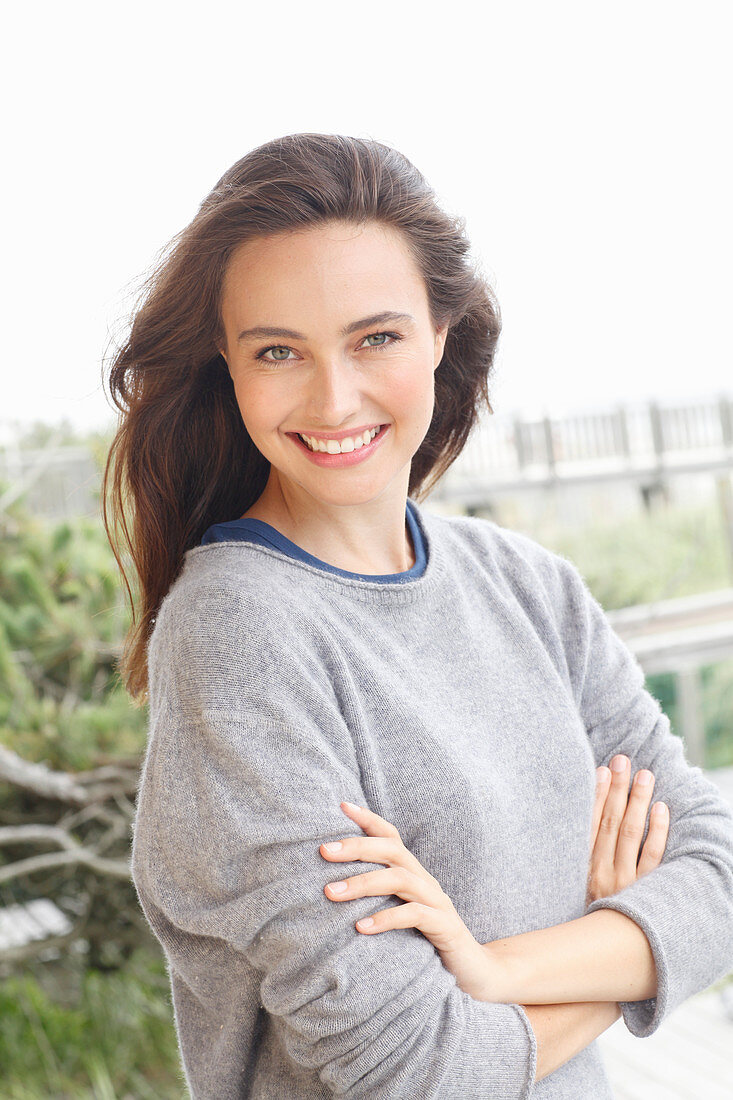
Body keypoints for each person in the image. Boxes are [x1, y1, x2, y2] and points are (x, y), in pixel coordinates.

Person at [103, 133, 733, 1098]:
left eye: (376, 337)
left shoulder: (527, 584)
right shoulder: (237, 635)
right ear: (227, 368)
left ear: (441, 331)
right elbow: (416, 1068)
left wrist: (494, 972)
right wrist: (621, 950)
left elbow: (718, 876)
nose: (334, 395)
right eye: (279, 350)